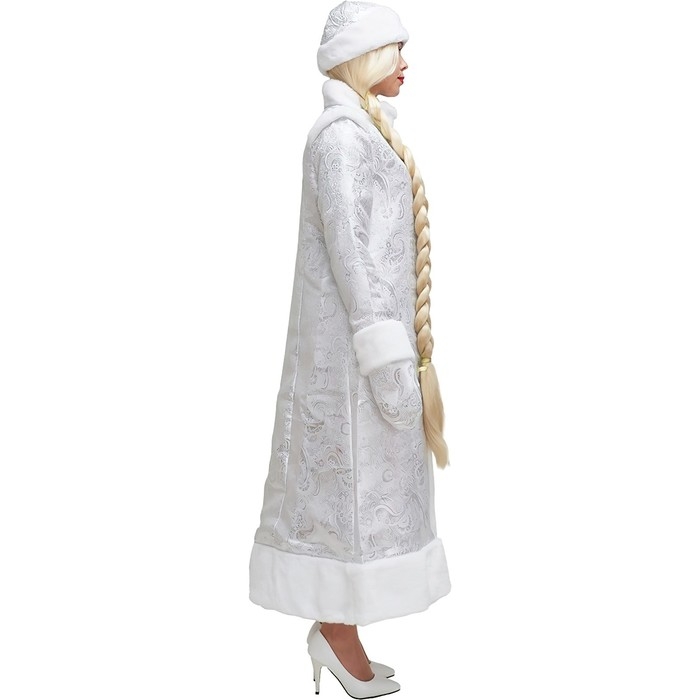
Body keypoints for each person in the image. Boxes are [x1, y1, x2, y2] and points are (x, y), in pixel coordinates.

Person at [248, 2, 451, 696]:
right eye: (393, 50)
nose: (405, 63)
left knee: (366, 493)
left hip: (374, 346)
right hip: (354, 357)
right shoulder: (339, 140)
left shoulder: (369, 132)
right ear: (363, 59)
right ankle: (336, 632)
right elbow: (351, 256)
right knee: (346, 491)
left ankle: (341, 627)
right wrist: (385, 355)